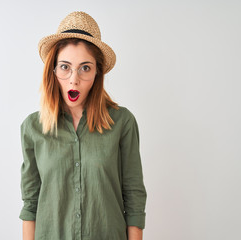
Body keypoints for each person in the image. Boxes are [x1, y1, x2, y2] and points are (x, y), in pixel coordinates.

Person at [19, 11, 147, 240]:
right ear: (53, 70)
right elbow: (30, 204)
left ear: (97, 72)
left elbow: (134, 198)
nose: (74, 79)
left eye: (85, 68)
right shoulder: (33, 128)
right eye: (65, 67)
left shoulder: (122, 123)